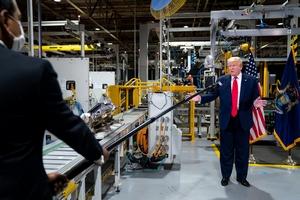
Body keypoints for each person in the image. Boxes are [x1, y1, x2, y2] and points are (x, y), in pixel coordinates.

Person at [0, 0, 110, 199]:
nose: (21, 28)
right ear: (3, 20)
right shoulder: (33, 71)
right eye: (18, 20)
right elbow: (65, 124)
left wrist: (40, 179)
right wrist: (97, 152)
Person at [191, 57, 267, 187]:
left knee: (242, 151)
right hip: (227, 120)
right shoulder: (222, 81)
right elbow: (213, 95)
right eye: (229, 65)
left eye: (234, 65)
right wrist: (200, 98)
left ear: (240, 66)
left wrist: (256, 103)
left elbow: (255, 98)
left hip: (242, 120)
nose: (231, 68)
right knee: (226, 150)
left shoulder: (251, 81)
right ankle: (226, 176)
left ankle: (241, 177)